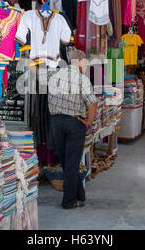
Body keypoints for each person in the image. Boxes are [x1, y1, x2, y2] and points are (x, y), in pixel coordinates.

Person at [48, 49, 97, 209]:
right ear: (80, 61)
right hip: (74, 124)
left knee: (66, 162)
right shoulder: (82, 80)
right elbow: (92, 103)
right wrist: (88, 121)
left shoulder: (54, 77)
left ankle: (80, 194)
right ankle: (69, 201)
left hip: (56, 123)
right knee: (72, 163)